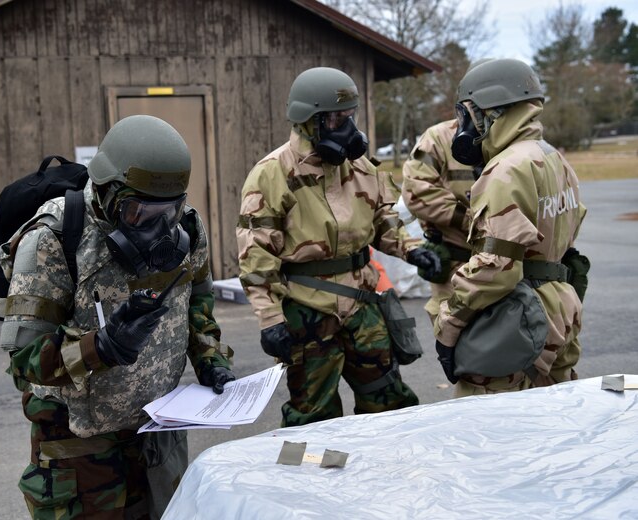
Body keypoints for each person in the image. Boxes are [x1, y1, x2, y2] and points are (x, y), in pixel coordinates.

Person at [0, 115, 235, 519]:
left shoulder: (189, 230)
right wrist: (99, 348)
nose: (157, 229)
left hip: (156, 435)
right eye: (138, 212)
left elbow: (197, 301)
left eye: (168, 211)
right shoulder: (53, 240)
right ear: (106, 191)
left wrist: (211, 358)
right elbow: (24, 363)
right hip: (80, 451)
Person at [236, 66, 441, 427]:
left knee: (389, 403)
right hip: (307, 309)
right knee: (314, 416)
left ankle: (386, 473)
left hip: (363, 303)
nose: (347, 129)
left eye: (350, 117)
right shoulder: (272, 174)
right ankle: (315, 478)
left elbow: (383, 220)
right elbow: (256, 256)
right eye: (335, 120)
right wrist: (270, 319)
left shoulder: (361, 167)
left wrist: (411, 250)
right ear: (307, 121)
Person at [434, 58, 587, 396]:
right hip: (559, 310)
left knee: (492, 433)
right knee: (552, 421)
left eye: (466, 114)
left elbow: (497, 268)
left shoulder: (505, 169)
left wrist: (448, 324)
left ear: (489, 111)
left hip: (517, 321)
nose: (464, 125)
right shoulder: (552, 158)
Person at [401, 59, 494, 323]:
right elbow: (417, 192)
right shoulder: (439, 138)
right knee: (459, 347)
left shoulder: (515, 143)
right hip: (457, 267)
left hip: (508, 268)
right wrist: (473, 223)